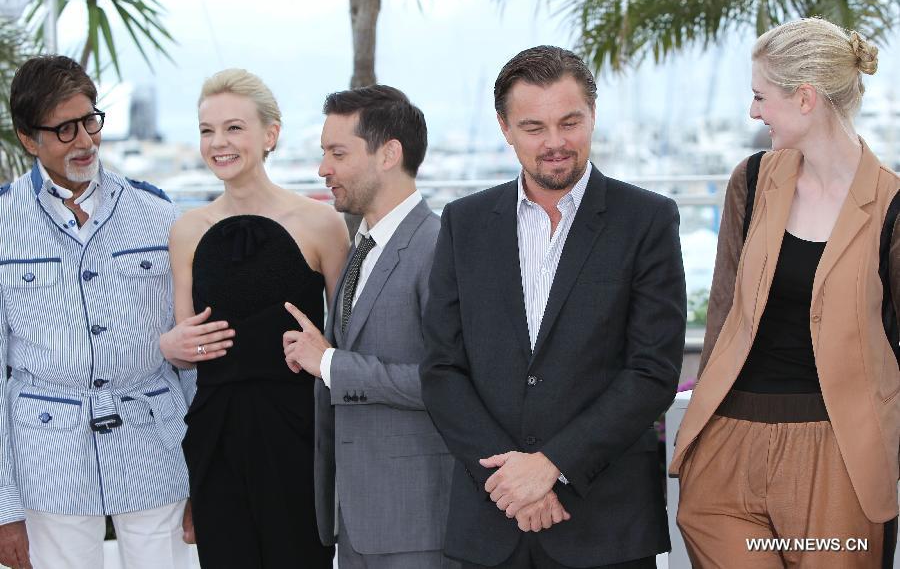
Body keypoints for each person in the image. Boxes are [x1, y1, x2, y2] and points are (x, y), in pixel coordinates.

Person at [420, 45, 687, 568]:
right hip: (489, 522)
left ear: (592, 115)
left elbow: (652, 370)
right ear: (505, 128)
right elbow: (442, 369)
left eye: (570, 122)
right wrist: (509, 482)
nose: (555, 143)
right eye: (534, 127)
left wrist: (553, 465)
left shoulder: (647, 219)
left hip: (604, 525)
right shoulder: (463, 223)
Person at [670, 18, 899, 568]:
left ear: (804, 98)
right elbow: (723, 311)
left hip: (837, 457)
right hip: (728, 449)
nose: (753, 112)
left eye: (759, 96)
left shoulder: (893, 206)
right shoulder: (749, 181)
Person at [0, 55, 193, 569]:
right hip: (46, 455)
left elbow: (190, 346)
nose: (85, 141)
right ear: (27, 138)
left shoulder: (156, 212)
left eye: (91, 121)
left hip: (157, 444)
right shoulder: (2, 221)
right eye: (64, 130)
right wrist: (4, 507)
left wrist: (204, 471)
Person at [159, 68, 347, 568]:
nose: (218, 142)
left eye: (234, 127)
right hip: (215, 435)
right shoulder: (186, 230)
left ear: (270, 135)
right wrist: (170, 348)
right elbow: (186, 347)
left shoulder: (321, 223)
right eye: (207, 130)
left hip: (299, 433)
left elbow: (348, 340)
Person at [282, 84, 458, 568]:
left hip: (415, 521)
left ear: (389, 154)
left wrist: (332, 364)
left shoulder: (438, 245)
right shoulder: (361, 245)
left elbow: (444, 383)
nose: (323, 169)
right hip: (355, 522)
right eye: (324, 153)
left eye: (337, 153)